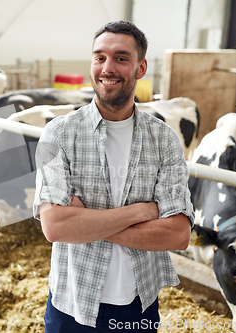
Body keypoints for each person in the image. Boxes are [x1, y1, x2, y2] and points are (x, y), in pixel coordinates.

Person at [33, 21, 194, 332]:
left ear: (141, 67)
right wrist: (141, 212)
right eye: (99, 57)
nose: (107, 68)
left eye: (121, 58)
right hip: (71, 304)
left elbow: (177, 234)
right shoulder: (60, 133)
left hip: (138, 305)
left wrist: (83, 222)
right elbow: (54, 227)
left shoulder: (165, 139)